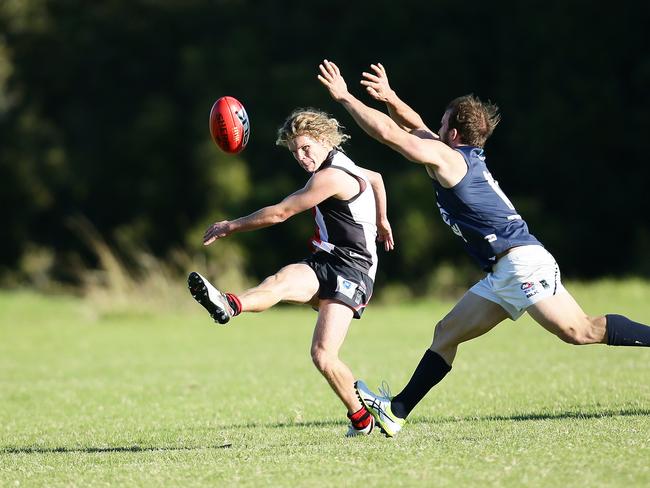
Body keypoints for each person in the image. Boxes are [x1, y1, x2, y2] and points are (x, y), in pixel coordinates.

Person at [318, 59, 650, 437]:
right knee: (446, 334)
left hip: (521, 263)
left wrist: (345, 97)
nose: (434, 128)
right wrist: (391, 96)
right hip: (503, 270)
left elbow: (394, 136)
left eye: (442, 124)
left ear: (454, 133)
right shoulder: (458, 155)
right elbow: (415, 126)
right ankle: (396, 411)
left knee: (579, 331)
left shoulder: (447, 159)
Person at [188, 108, 395, 437]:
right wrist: (382, 220)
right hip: (325, 259)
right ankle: (229, 304)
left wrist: (231, 225)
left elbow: (281, 213)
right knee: (279, 282)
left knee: (323, 355)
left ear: (324, 140)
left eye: (306, 148)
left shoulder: (332, 176)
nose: (301, 157)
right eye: (295, 151)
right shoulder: (343, 164)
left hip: (354, 270)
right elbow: (377, 179)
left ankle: (365, 418)